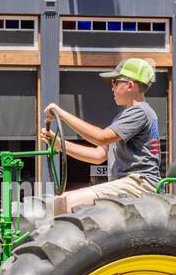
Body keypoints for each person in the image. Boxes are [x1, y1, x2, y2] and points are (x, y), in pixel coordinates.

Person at [39, 57, 161, 215]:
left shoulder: (139, 112)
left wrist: (61, 113)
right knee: (59, 201)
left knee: (70, 202)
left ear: (130, 85)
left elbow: (101, 137)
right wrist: (59, 145)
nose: (112, 88)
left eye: (115, 82)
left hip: (138, 183)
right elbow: (98, 155)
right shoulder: (127, 116)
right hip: (127, 182)